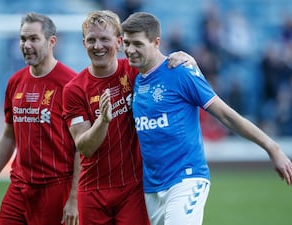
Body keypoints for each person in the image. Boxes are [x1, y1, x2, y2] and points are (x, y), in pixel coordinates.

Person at [121, 12, 292, 225]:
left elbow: (226, 115)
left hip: (186, 179)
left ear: (156, 42)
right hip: (152, 188)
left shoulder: (180, 72)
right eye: (127, 43)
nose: (130, 50)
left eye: (137, 43)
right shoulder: (135, 80)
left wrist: (272, 147)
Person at [61, 10, 197, 225]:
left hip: (133, 189)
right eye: (91, 40)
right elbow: (84, 146)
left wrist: (187, 59)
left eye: (104, 39)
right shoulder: (74, 90)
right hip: (92, 191)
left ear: (119, 42)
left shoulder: (135, 72)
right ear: (83, 43)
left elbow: (165, 69)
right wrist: (103, 121)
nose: (98, 46)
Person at [0, 12, 80, 225]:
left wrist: (75, 199)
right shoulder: (15, 82)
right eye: (23, 39)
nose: (26, 45)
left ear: (51, 42)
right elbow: (8, 137)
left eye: (33, 39)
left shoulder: (71, 84)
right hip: (19, 187)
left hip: (56, 189)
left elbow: (81, 147)